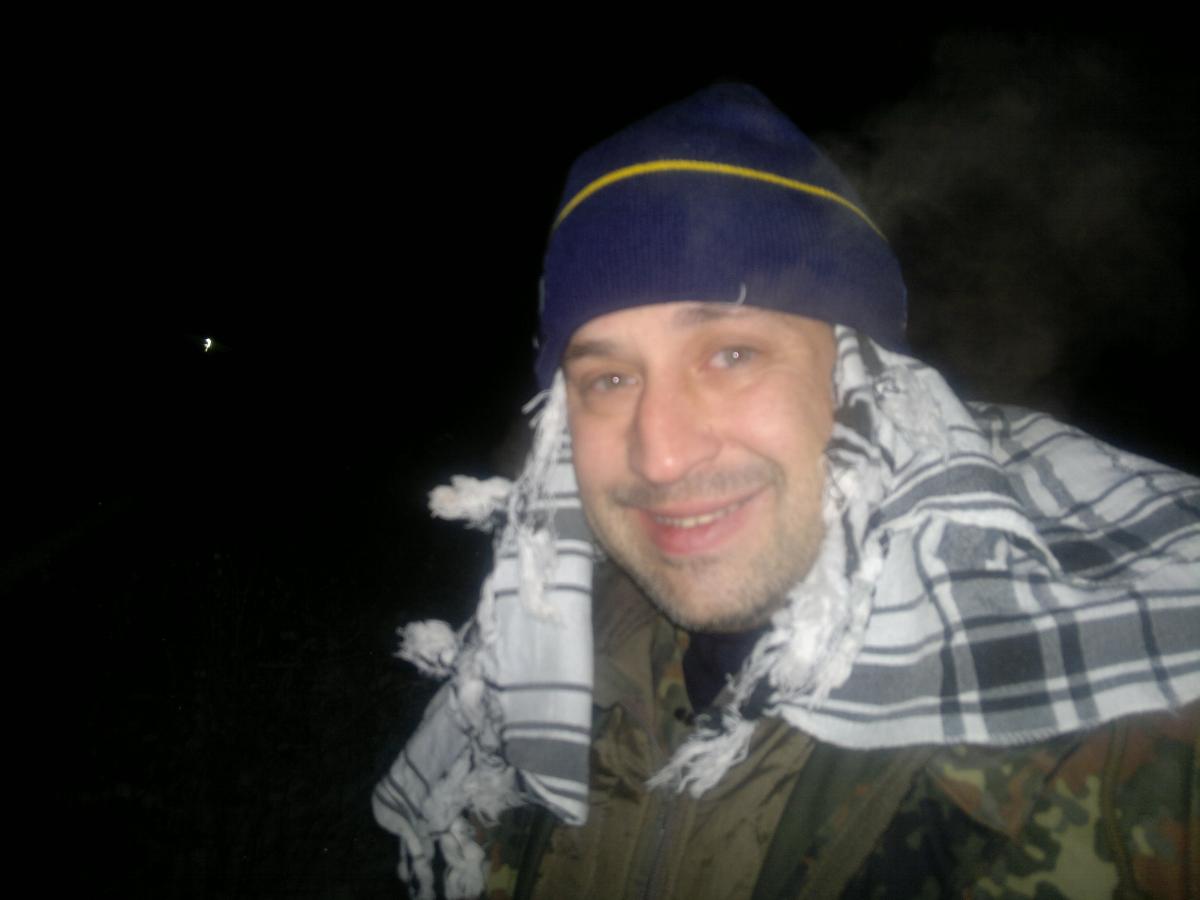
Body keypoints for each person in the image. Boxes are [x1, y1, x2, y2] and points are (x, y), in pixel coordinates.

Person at [375, 85, 1200, 899]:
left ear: (861, 381)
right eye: (610, 378)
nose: (661, 455)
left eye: (732, 354)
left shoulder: (1133, 735)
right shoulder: (534, 681)